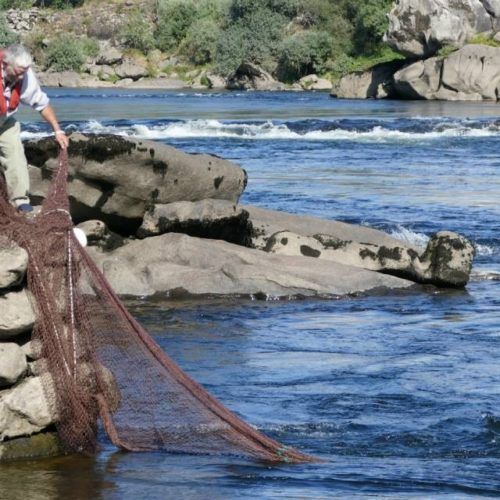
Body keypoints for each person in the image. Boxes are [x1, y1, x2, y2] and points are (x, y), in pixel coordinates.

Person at [0, 44, 69, 212]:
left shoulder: (25, 75)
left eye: (25, 71)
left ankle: (21, 202)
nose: (22, 75)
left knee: (15, 154)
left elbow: (42, 104)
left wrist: (57, 130)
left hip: (4, 122)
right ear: (4, 63)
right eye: (18, 71)